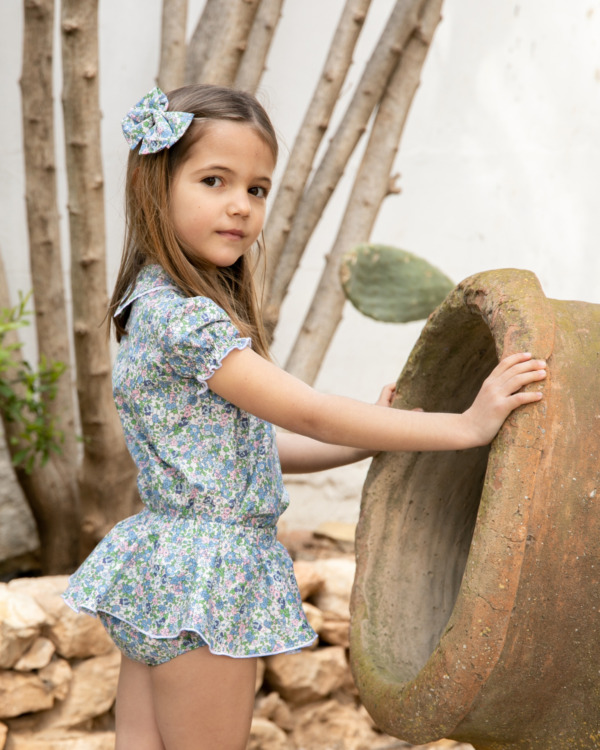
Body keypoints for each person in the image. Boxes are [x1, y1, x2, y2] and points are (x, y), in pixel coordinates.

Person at [62, 84, 546, 750]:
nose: (241, 205)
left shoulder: (150, 303)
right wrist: (466, 424)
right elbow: (315, 413)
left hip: (164, 565)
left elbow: (251, 449)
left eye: (257, 189)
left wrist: (360, 446)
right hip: (213, 577)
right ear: (155, 185)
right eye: (214, 180)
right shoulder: (191, 322)